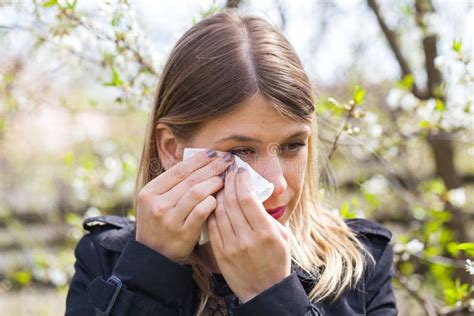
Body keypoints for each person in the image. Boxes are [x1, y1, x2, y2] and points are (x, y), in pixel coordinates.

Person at [65, 8, 397, 316]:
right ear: (170, 147)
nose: (278, 185)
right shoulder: (107, 260)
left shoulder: (360, 264)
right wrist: (151, 272)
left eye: (293, 145)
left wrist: (272, 295)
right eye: (241, 152)